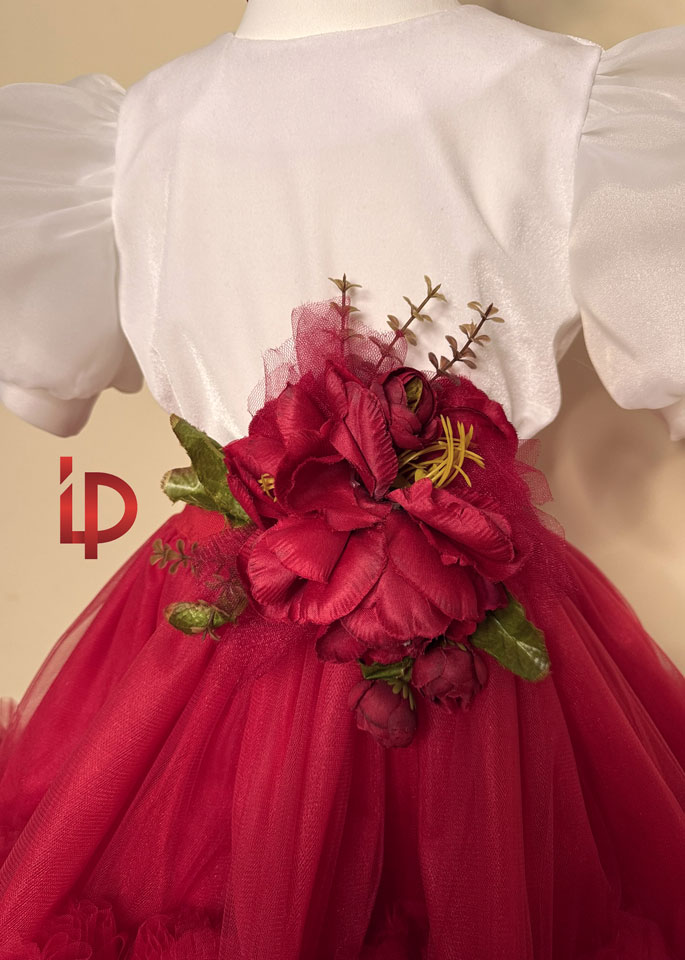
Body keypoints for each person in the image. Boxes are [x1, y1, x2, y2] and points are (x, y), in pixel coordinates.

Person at [0, 1, 684, 956]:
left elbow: (48, 393)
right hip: (411, 605)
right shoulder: (122, 137)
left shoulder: (581, 103)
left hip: (392, 604)